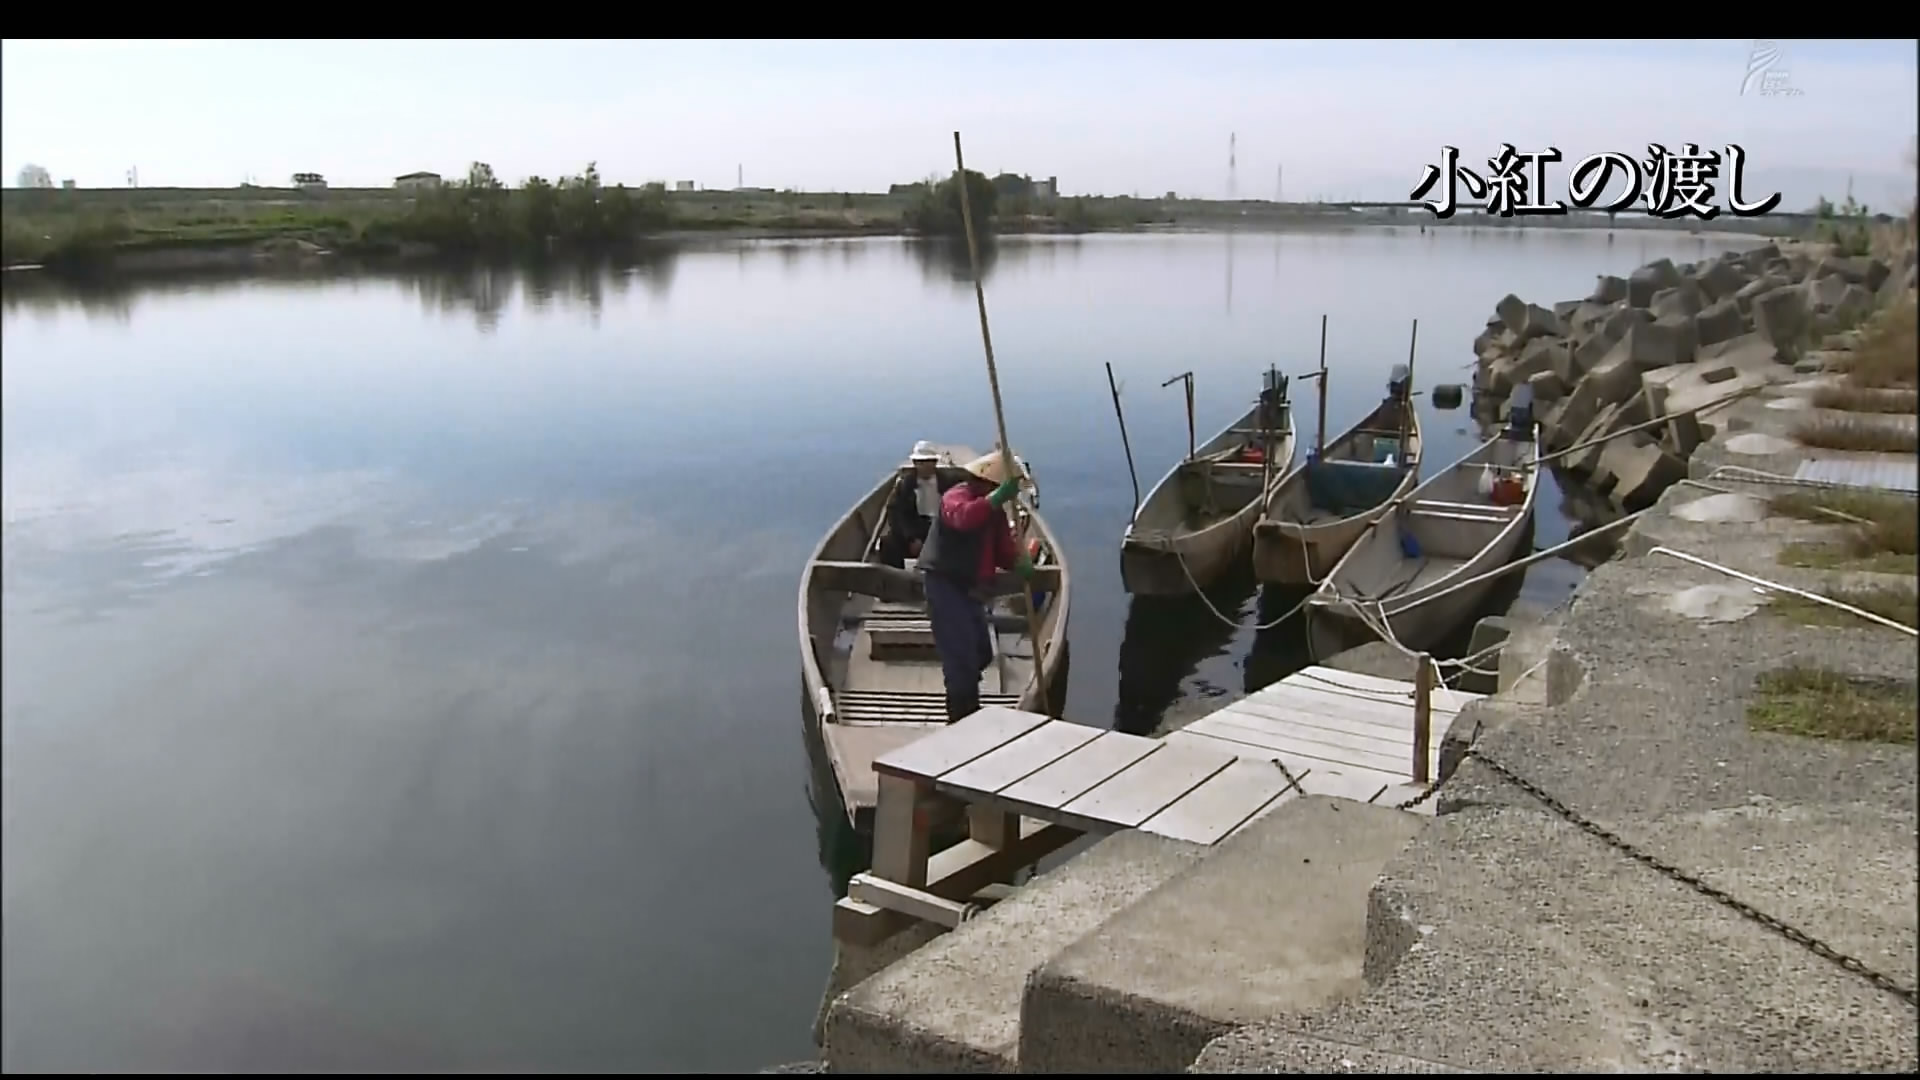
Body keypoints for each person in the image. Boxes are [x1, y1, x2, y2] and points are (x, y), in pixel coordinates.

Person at [919, 450, 1036, 724]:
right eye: (1000, 488)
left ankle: (966, 696)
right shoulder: (957, 497)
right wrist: (995, 499)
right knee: (961, 664)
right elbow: (964, 518)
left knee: (981, 652)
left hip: (972, 591)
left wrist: (1021, 563)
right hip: (945, 586)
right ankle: (962, 719)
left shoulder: (994, 514)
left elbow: (1004, 552)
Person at [878, 441, 951, 569]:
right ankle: (896, 579)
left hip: (940, 527)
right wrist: (911, 537)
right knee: (888, 543)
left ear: (934, 463)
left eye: (926, 462)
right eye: (919, 462)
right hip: (915, 527)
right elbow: (895, 512)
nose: (922, 466)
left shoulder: (946, 483)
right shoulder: (906, 484)